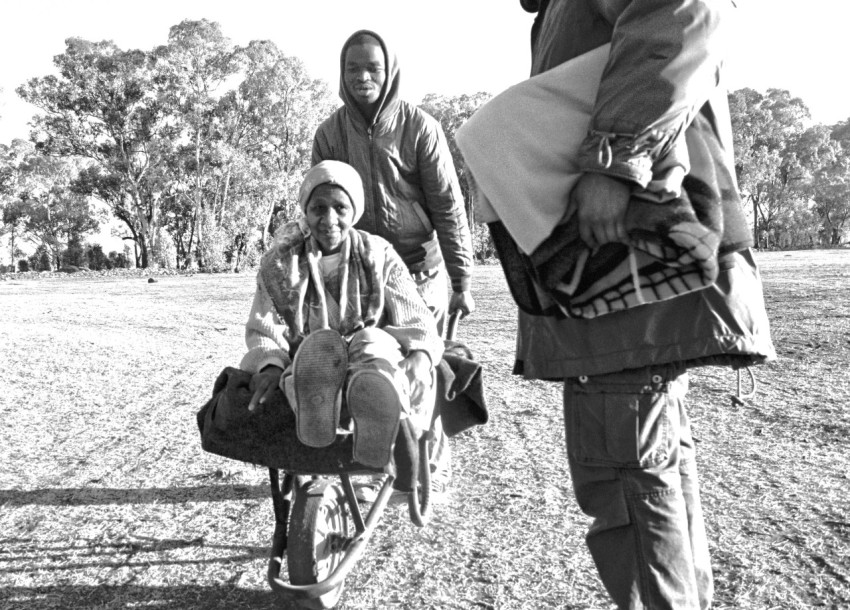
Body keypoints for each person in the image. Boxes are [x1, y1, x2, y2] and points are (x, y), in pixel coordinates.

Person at [492, 2, 776, 609]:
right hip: (622, 290)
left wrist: (616, 162)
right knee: (651, 474)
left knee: (627, 479)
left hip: (622, 284)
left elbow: (687, 12)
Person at [240, 160, 444, 471]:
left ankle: (375, 419)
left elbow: (415, 317)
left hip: (372, 356)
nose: (329, 219)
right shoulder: (280, 264)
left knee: (371, 340)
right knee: (310, 359)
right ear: (306, 211)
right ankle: (316, 415)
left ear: (354, 211)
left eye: (340, 208)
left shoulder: (379, 254)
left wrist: (421, 355)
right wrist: (268, 365)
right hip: (311, 359)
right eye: (318, 208)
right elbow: (263, 328)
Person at [312, 29, 475, 336]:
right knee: (366, 364)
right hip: (359, 278)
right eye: (352, 68)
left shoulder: (422, 128)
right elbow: (320, 214)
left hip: (419, 273)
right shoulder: (329, 134)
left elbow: (448, 207)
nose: (362, 77)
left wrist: (461, 282)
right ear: (342, 73)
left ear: (389, 72)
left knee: (422, 361)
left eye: (373, 68)